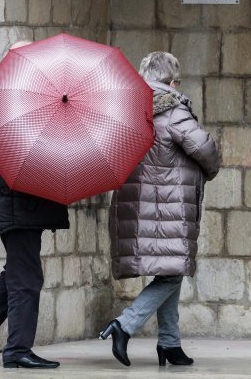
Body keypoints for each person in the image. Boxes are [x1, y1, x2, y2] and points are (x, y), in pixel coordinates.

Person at [101, 51, 220, 367]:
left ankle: (170, 343)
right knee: (172, 272)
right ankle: (125, 324)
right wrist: (210, 168)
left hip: (137, 206)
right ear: (173, 81)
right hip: (166, 207)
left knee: (171, 269)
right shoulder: (172, 110)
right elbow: (205, 149)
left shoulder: (127, 110)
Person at [0, 40, 68, 369]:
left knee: (20, 271)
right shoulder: (12, 100)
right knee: (27, 277)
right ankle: (17, 350)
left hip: (19, 202)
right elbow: (24, 153)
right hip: (15, 203)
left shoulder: (12, 97)